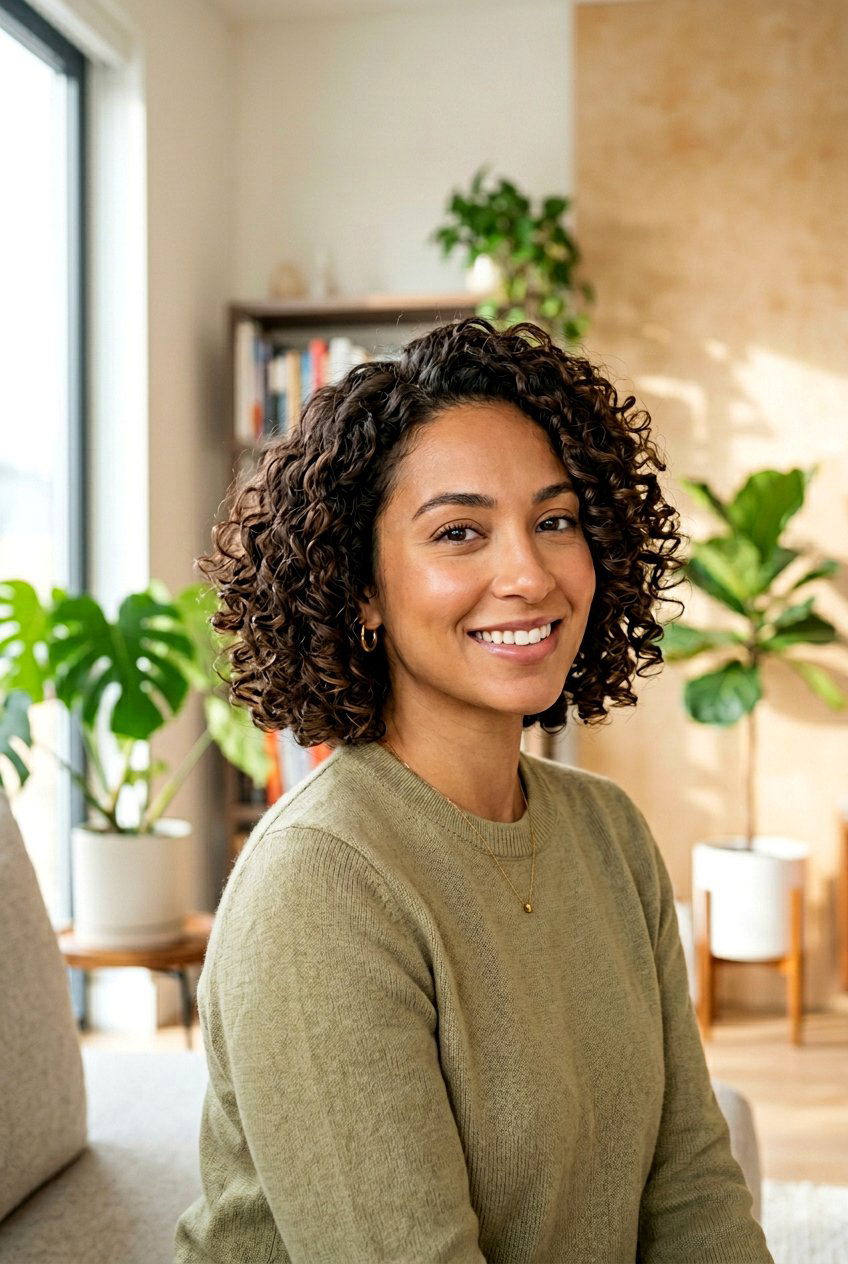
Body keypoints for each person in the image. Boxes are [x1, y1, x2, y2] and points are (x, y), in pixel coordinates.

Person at [173, 316, 774, 1263]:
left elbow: (692, 1184)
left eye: (556, 520)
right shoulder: (320, 887)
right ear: (361, 587)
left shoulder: (609, 832)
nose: (527, 574)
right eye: (459, 532)